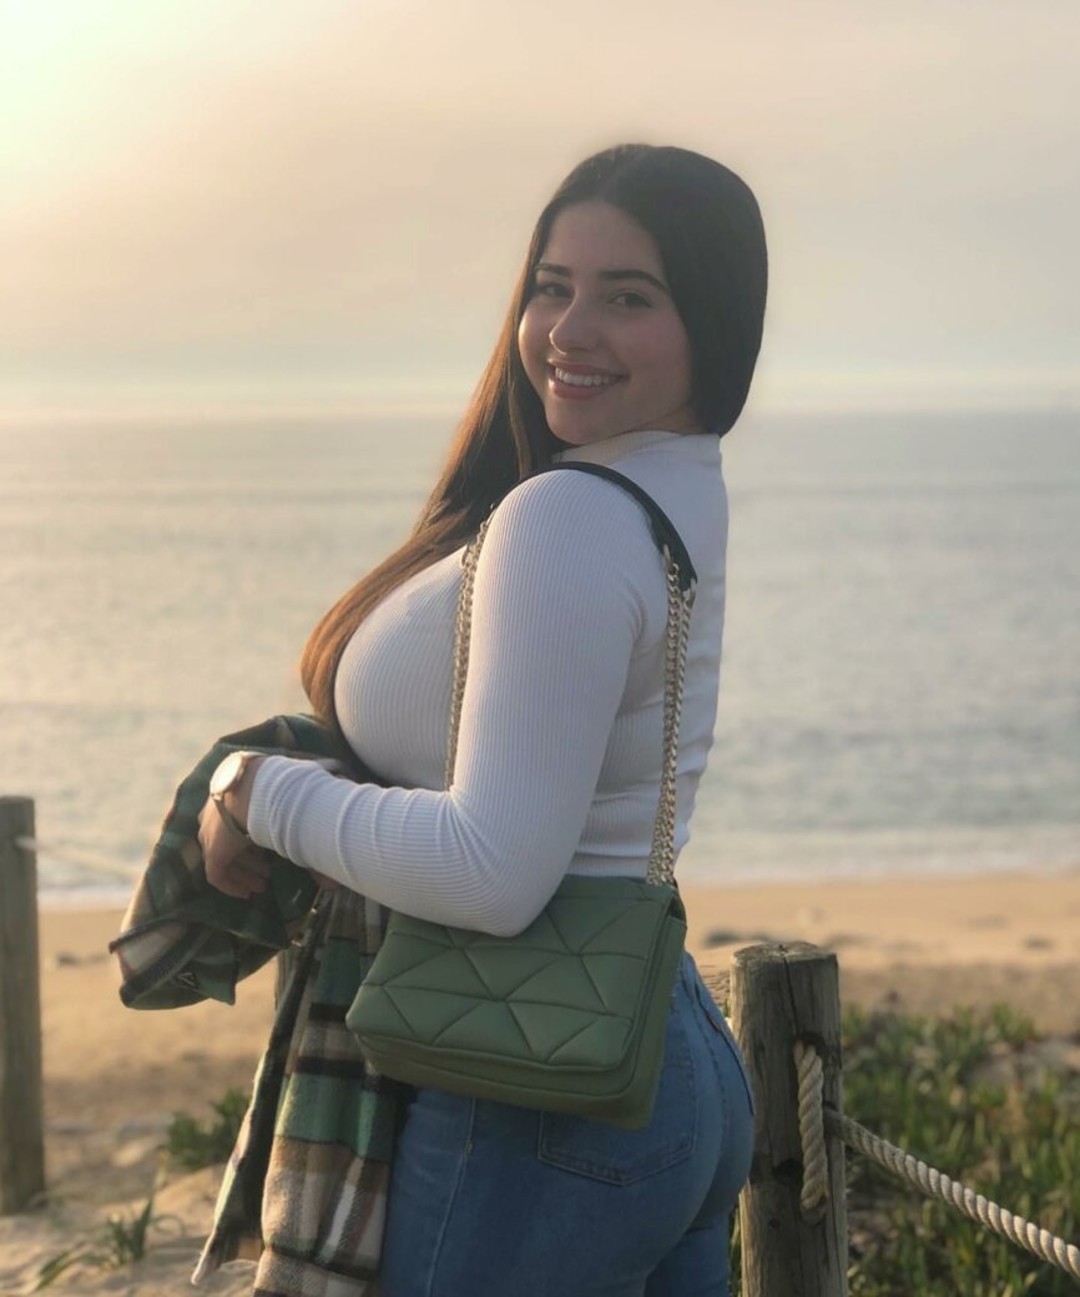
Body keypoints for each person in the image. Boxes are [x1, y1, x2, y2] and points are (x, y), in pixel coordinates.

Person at [198, 142, 768, 1297]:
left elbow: (494, 871)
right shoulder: (673, 481)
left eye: (628, 297)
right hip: (650, 1041)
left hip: (534, 1093)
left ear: (711, 320)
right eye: (552, 286)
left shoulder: (568, 516)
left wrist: (258, 791)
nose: (569, 330)